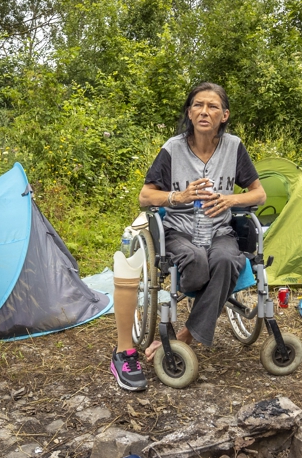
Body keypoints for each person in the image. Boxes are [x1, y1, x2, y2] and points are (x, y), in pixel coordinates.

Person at [109, 82, 266, 392]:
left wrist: (230, 200)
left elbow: (259, 194)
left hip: (220, 230)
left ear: (224, 115)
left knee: (227, 258)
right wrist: (178, 197)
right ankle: (206, 301)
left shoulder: (234, 147)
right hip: (179, 231)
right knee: (196, 263)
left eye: (211, 106)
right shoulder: (173, 148)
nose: (204, 111)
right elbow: (145, 197)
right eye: (197, 105)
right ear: (189, 112)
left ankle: (186, 336)